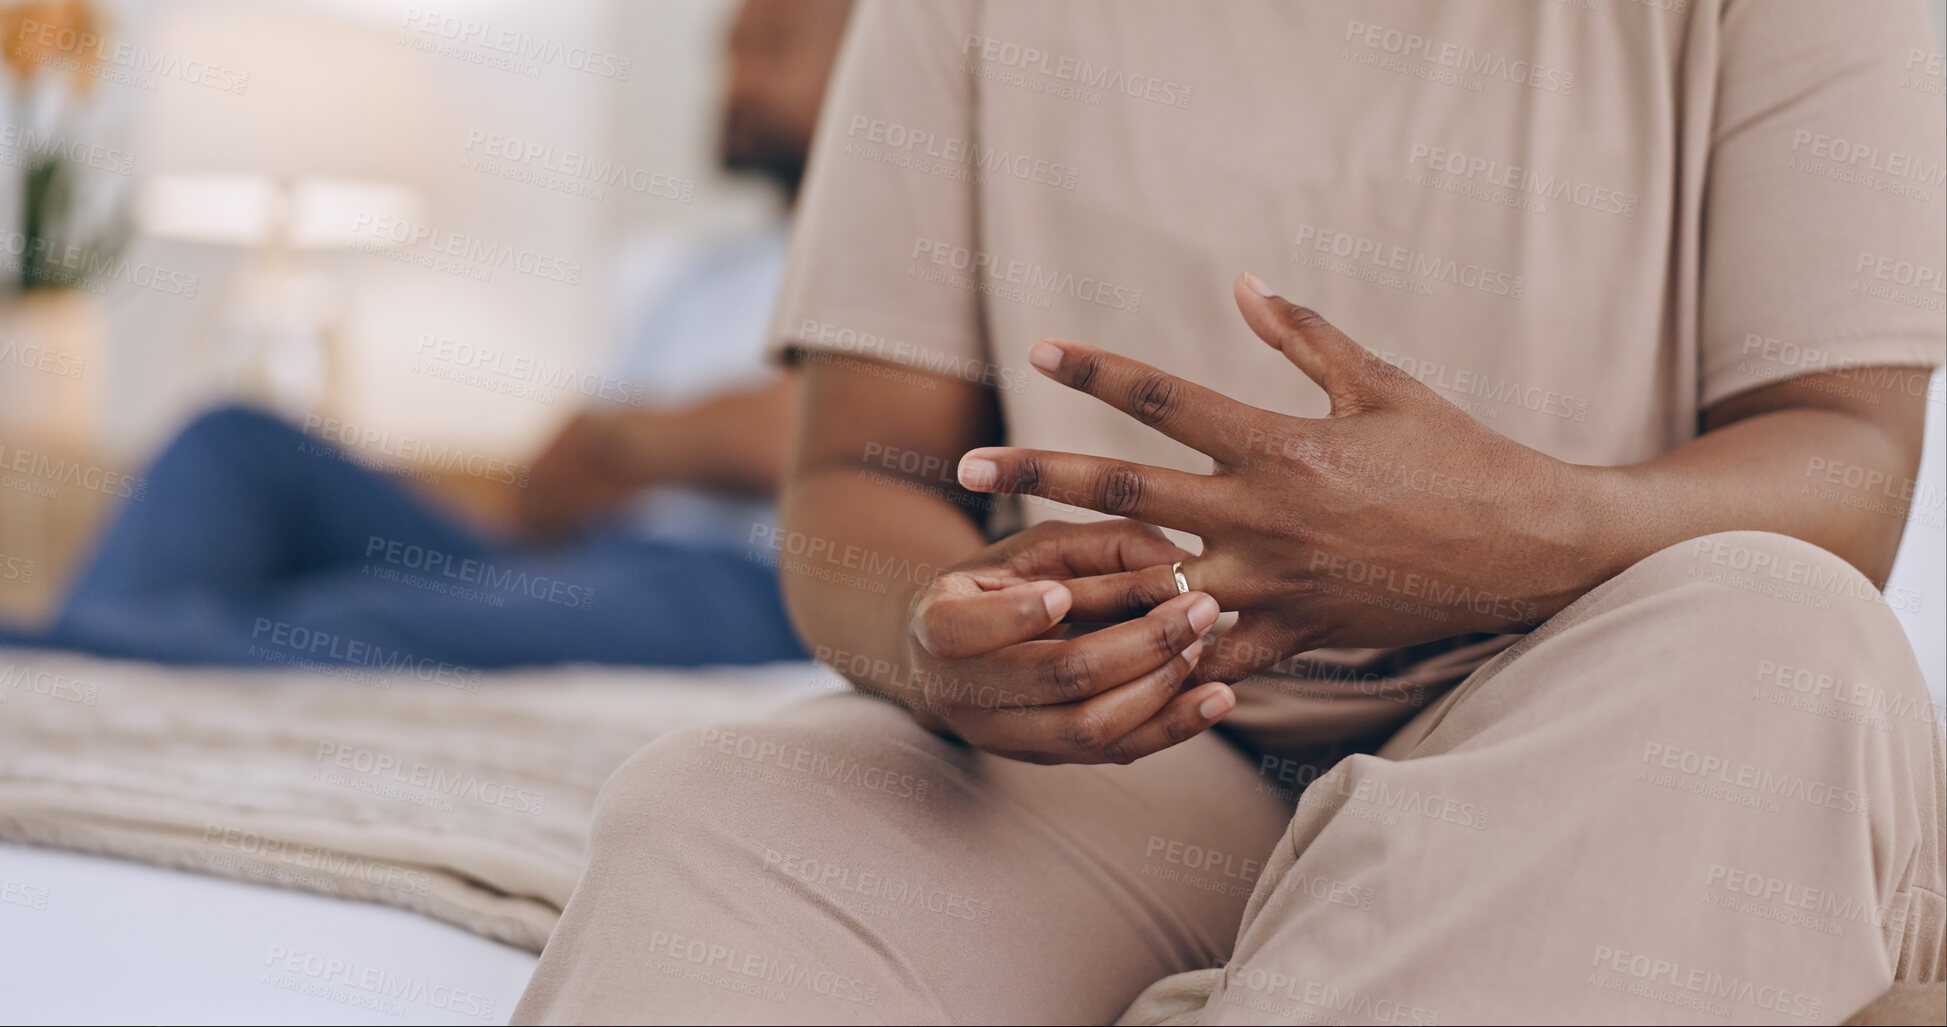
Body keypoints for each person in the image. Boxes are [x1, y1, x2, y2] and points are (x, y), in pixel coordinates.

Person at [513, 1, 1946, 1023]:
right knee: (725, 810)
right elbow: (853, 483)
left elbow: (1842, 461)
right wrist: (928, 634)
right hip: (1121, 756)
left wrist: (1504, 528)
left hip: (1588, 726)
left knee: (1780, 635)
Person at [0, 0, 855, 671]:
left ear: (867, 75)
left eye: (772, 49)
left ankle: (47, 665)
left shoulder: (885, 270)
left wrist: (628, 436)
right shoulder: (679, 273)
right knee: (232, 442)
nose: (735, 79)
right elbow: (547, 489)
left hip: (742, 584)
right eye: (729, 51)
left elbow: (807, 433)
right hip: (573, 560)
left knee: (351, 625)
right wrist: (656, 441)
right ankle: (70, 683)